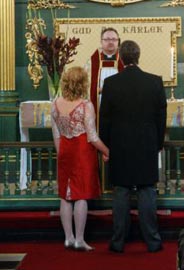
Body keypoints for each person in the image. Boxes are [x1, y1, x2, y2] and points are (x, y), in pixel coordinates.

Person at [99, 40, 167, 253]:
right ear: (139, 56)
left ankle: (118, 241)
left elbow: (105, 119)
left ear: (120, 57)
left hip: (120, 146)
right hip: (147, 144)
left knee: (121, 192)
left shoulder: (111, 84)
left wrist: (106, 146)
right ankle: (153, 242)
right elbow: (161, 117)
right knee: (147, 190)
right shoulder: (155, 82)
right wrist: (157, 144)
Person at [51, 66, 109, 251]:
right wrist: (107, 151)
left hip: (64, 151)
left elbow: (56, 135)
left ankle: (68, 237)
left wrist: (62, 154)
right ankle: (80, 239)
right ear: (83, 84)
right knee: (81, 195)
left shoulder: (55, 103)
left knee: (65, 195)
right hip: (82, 152)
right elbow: (92, 137)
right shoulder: (86, 105)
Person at [85, 27, 124, 127]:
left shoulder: (125, 60)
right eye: (107, 39)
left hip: (119, 103)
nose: (110, 42)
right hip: (99, 103)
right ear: (101, 42)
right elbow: (85, 85)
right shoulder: (92, 61)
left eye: (114, 39)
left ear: (118, 41)